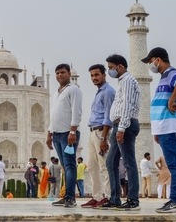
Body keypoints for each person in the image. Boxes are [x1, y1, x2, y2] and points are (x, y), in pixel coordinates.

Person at [142, 47, 176, 213]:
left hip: (169, 127)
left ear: (157, 60)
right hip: (163, 128)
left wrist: (172, 99)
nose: (150, 65)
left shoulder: (170, 73)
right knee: (174, 164)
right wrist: (156, 131)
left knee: (174, 165)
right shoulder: (164, 77)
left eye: (150, 62)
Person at [104, 54, 141, 210]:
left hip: (124, 125)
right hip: (118, 125)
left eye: (111, 67)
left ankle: (133, 200)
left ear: (120, 66)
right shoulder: (122, 81)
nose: (110, 71)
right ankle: (115, 198)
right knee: (111, 161)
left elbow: (126, 105)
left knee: (128, 162)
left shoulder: (127, 81)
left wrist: (122, 128)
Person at [46, 63, 82, 208]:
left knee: (70, 166)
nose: (60, 75)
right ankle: (65, 196)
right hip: (58, 135)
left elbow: (77, 112)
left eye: (62, 72)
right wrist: (49, 134)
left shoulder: (73, 90)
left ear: (69, 74)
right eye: (57, 73)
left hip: (68, 134)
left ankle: (70, 198)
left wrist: (72, 131)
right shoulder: (57, 93)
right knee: (65, 167)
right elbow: (53, 115)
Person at [81, 64, 115, 209]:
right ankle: (97, 197)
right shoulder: (99, 92)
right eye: (92, 76)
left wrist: (103, 138)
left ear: (104, 75)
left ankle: (108, 197)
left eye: (96, 75)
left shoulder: (108, 92)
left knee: (104, 166)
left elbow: (109, 117)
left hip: (101, 132)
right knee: (92, 167)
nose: (94, 78)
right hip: (92, 132)